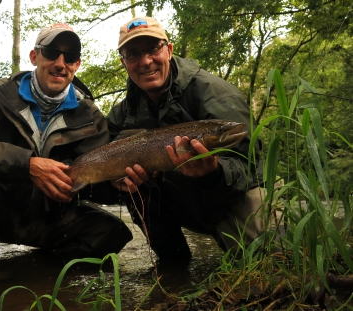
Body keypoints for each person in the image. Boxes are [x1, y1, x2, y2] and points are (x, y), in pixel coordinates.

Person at [0, 23, 132, 264]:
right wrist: (27, 164)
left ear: (77, 64)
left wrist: (118, 185)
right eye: (51, 52)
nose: (60, 63)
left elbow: (97, 185)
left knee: (113, 231)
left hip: (52, 219)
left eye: (70, 56)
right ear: (34, 56)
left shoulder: (89, 115)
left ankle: (36, 275)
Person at [107, 16, 266, 265]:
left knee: (273, 266)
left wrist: (214, 173)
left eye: (153, 49)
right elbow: (100, 171)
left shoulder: (214, 93)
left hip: (233, 196)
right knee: (139, 190)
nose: (146, 61)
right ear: (124, 62)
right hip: (181, 198)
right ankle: (174, 266)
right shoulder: (121, 115)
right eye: (133, 54)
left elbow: (249, 167)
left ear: (168, 51)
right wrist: (118, 183)